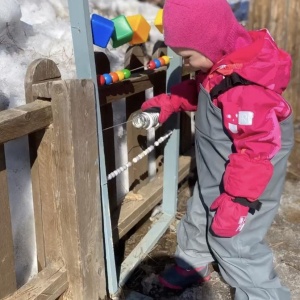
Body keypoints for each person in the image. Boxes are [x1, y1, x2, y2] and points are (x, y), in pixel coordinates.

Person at [141, 0, 294, 299]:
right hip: (221, 166)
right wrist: (173, 101)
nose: (185, 64)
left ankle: (262, 293)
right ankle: (193, 262)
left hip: (250, 174)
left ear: (210, 43)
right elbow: (206, 89)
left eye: (187, 56)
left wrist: (237, 200)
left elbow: (256, 150)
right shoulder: (221, 66)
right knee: (200, 211)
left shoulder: (245, 88)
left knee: (234, 239)